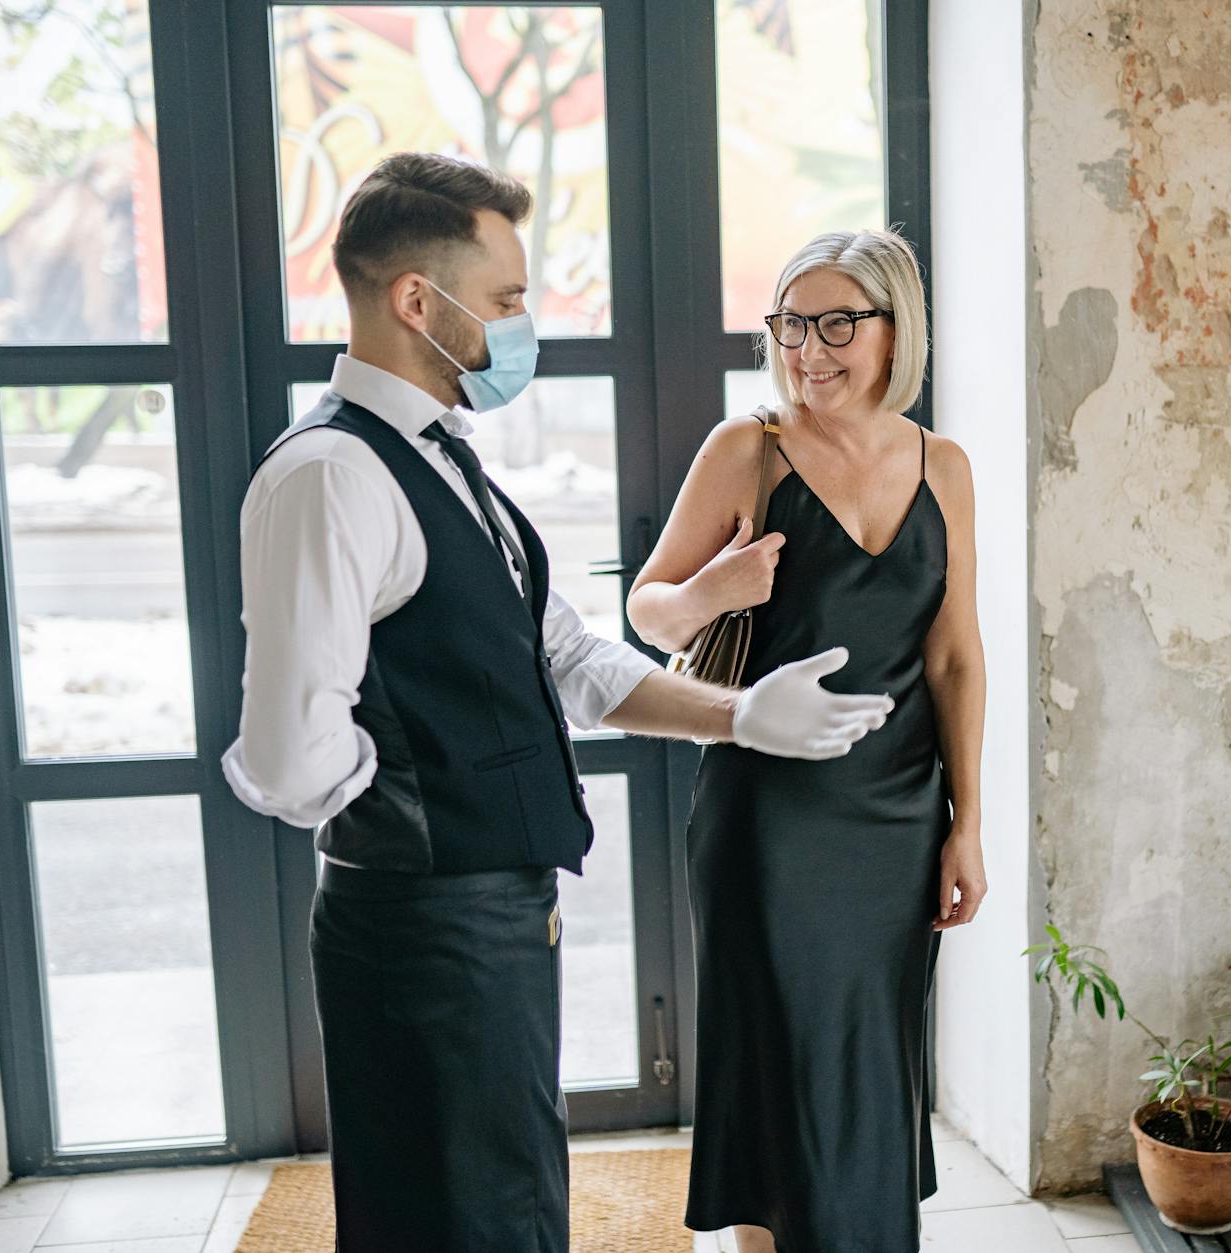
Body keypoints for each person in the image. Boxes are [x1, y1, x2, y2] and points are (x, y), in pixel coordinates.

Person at [220, 153, 892, 1252]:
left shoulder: (444, 461)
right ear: (415, 302)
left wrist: (739, 712)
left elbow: (570, 657)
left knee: (510, 1204)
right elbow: (292, 758)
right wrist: (412, 788)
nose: (522, 322)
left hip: (492, 911)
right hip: (422, 923)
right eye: (507, 299)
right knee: (457, 1219)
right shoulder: (330, 476)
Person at [628, 228, 988, 1252]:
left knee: (868, 1071)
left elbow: (955, 657)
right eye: (789, 324)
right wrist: (707, 593)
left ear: (893, 330)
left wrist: (967, 824)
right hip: (768, 822)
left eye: (836, 322)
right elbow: (647, 611)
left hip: (894, 825)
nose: (807, 348)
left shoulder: (943, 466)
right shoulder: (746, 450)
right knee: (778, 1077)